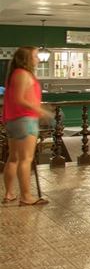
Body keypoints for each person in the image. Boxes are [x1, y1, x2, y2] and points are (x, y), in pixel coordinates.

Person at [3, 46, 52, 206]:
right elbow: (19, 99)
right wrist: (40, 110)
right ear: (27, 58)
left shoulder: (15, 74)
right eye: (35, 56)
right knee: (26, 159)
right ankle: (26, 196)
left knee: (13, 158)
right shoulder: (23, 74)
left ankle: (9, 194)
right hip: (25, 120)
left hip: (13, 120)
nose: (38, 59)